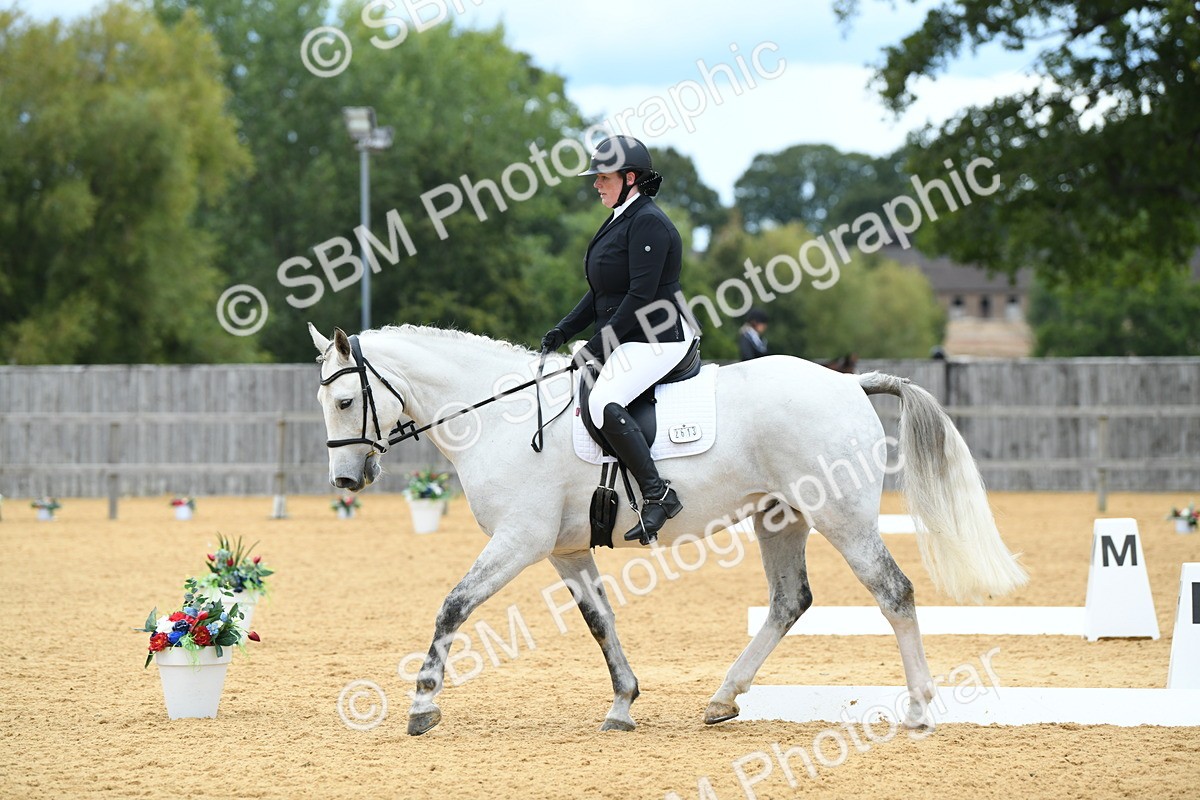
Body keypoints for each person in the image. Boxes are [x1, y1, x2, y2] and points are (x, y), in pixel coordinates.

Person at [540, 135, 696, 546]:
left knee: (602, 401)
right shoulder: (620, 217)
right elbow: (601, 290)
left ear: (630, 178)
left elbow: (640, 298)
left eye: (603, 177)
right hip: (629, 335)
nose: (596, 184)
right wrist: (565, 330)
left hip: (657, 337)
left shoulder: (648, 222)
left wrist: (597, 346)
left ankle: (657, 493)